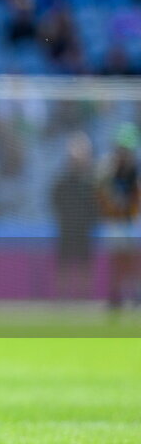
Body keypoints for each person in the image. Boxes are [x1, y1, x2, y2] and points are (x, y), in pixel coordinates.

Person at [49, 132, 99, 300]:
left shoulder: (91, 181)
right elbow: (54, 201)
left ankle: (84, 299)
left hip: (84, 230)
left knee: (85, 265)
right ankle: (62, 299)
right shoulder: (62, 181)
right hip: (66, 229)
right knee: (63, 264)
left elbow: (97, 206)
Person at [97, 123, 141, 314]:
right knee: (117, 260)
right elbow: (102, 194)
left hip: (132, 221)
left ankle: (135, 294)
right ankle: (116, 296)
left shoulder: (136, 171)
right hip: (116, 222)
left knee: (133, 259)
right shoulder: (110, 169)